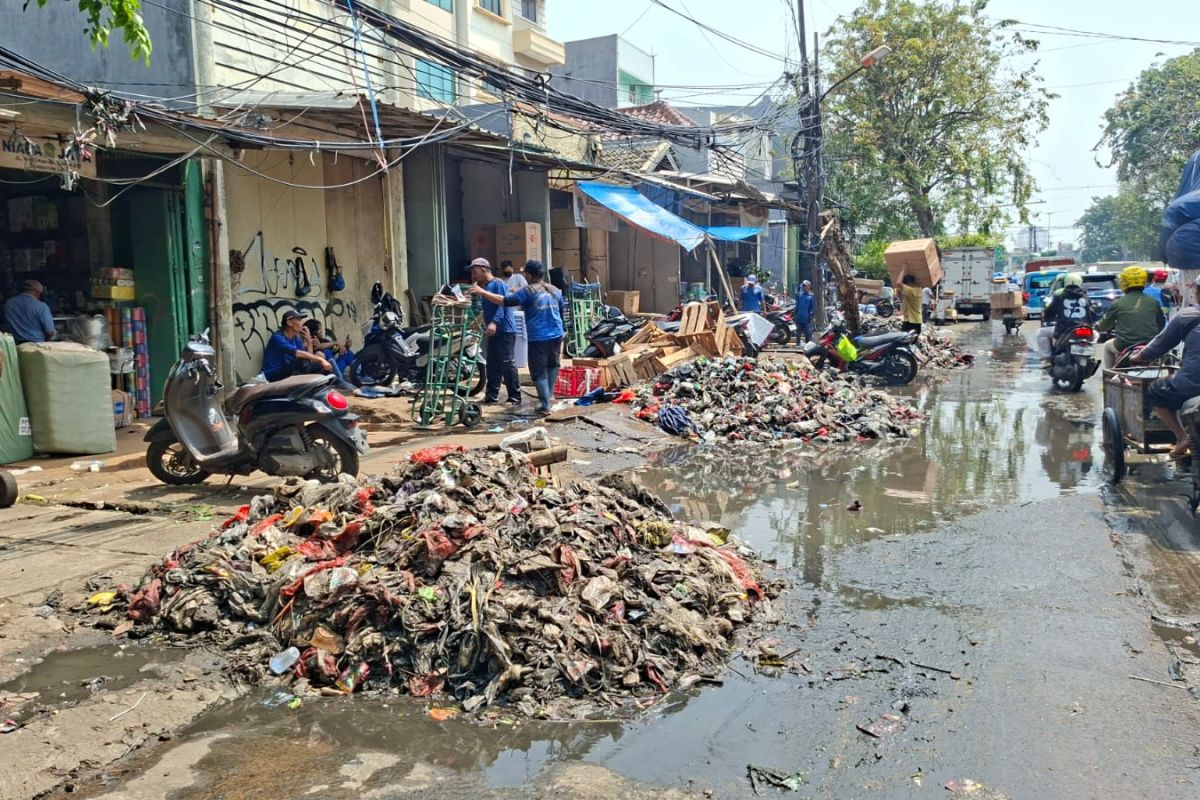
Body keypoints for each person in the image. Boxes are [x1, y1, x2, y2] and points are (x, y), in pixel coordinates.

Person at [469, 259, 563, 414]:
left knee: (538, 371)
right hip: (556, 334)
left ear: (528, 274)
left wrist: (482, 293)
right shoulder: (555, 290)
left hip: (538, 336)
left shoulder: (527, 290)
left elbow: (505, 302)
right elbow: (560, 312)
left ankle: (545, 404)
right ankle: (549, 396)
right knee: (553, 365)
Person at [1129, 274, 1200, 458]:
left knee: (1155, 391)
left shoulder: (1188, 315)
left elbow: (1160, 345)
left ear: (1197, 292)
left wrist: (1138, 357)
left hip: (1192, 383)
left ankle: (1182, 437)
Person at [469, 257, 522, 406]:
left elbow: (502, 305)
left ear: (484, 270)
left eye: (475, 272)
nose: (473, 276)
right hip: (494, 331)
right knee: (492, 364)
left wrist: (493, 323)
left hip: (505, 329)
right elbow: (488, 307)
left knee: (507, 363)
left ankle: (515, 396)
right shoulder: (485, 287)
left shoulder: (498, 284)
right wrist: (479, 320)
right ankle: (491, 396)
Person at [1096, 266, 1165, 369]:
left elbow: (1104, 325)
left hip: (1124, 345)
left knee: (1106, 346)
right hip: (1149, 344)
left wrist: (1098, 326)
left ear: (1124, 282)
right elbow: (1161, 324)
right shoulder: (1153, 302)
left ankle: (1109, 374)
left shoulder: (1118, 303)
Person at [261, 310, 331, 382]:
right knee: (304, 363)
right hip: (274, 374)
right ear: (289, 322)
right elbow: (297, 353)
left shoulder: (296, 338)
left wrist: (309, 342)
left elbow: (309, 359)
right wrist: (320, 359)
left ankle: (314, 387)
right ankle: (304, 388)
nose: (302, 324)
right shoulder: (278, 337)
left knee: (320, 366)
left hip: (289, 371)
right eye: (299, 320)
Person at [1038, 272, 1093, 360]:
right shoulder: (1086, 297)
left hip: (1065, 330)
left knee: (1040, 333)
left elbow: (1049, 314)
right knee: (1096, 334)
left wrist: (1048, 317)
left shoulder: (1059, 296)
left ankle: (1046, 359)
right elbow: (1093, 314)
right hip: (1085, 328)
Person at [303, 318, 355, 390]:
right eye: (319, 329)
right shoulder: (308, 342)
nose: (321, 331)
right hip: (326, 372)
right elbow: (317, 348)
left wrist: (346, 346)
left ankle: (360, 375)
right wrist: (335, 342)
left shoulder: (324, 341)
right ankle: (340, 381)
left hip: (334, 368)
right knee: (326, 351)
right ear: (313, 331)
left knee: (347, 353)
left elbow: (335, 350)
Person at [2, 279, 55, 344]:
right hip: (36, 345)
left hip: (14, 345)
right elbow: (50, 332)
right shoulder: (41, 306)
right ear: (37, 292)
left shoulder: (8, 303)